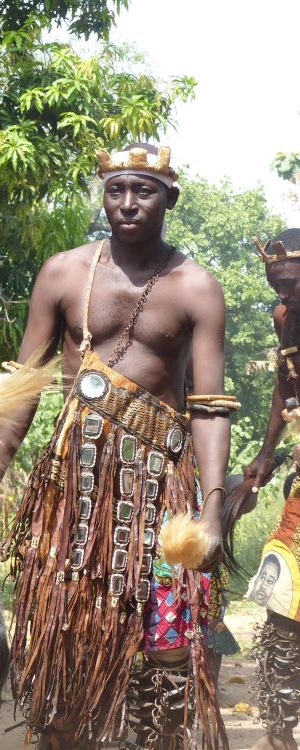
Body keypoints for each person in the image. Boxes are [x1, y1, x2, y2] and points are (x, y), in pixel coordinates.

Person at [0, 144, 230, 749]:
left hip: (163, 492)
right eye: (116, 190)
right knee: (69, 651)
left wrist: (210, 512)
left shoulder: (196, 287)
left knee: (167, 654)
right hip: (73, 500)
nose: (128, 204)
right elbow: (22, 391)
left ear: (170, 199)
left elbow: (209, 408)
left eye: (145, 190)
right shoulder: (63, 273)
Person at [238, 227, 300, 750]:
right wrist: (265, 451)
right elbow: (286, 381)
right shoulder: (285, 317)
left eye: (290, 282)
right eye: (273, 282)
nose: (281, 293)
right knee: (284, 595)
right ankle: (281, 731)